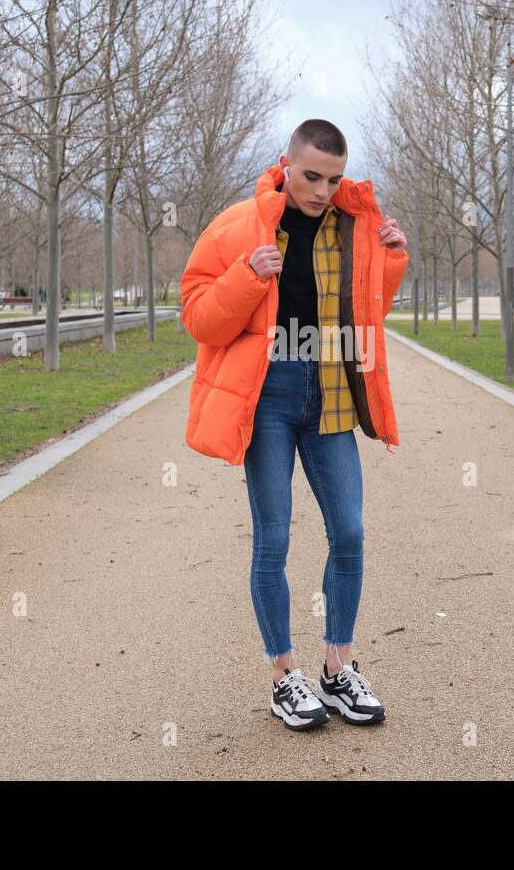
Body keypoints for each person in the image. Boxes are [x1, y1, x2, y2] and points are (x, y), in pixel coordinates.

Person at [179, 119, 409, 731]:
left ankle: (338, 669)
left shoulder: (352, 227)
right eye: (311, 176)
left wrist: (390, 260)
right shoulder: (240, 225)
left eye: (333, 179)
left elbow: (370, 311)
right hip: (270, 394)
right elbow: (200, 318)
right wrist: (247, 274)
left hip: (331, 388)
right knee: (273, 539)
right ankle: (284, 676)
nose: (321, 190)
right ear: (286, 162)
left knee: (351, 533)